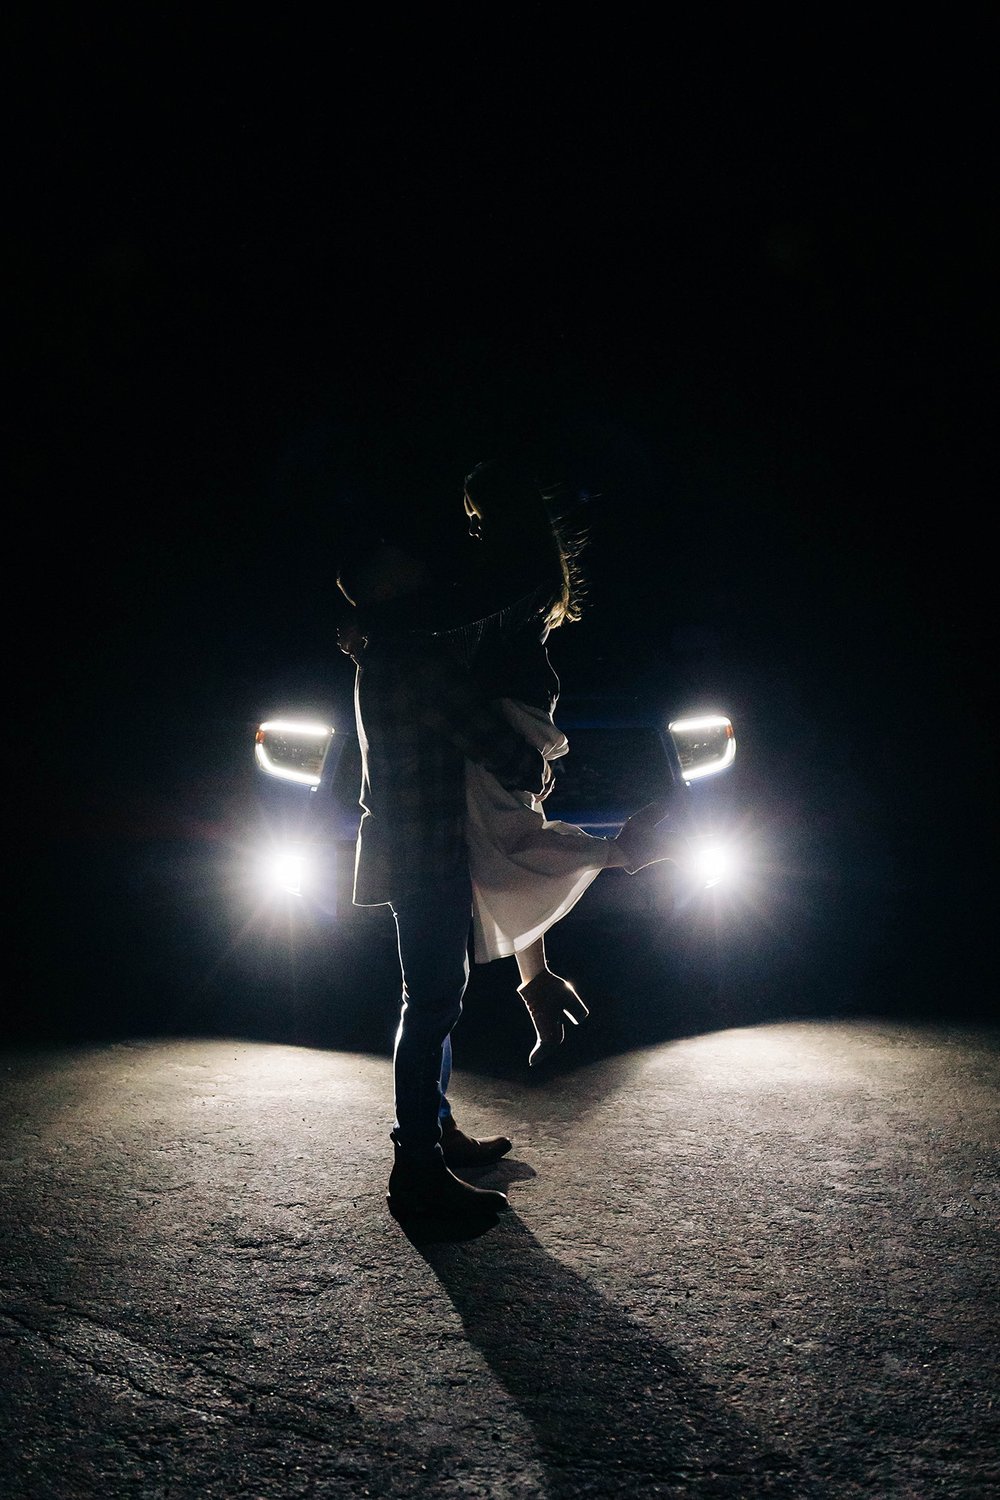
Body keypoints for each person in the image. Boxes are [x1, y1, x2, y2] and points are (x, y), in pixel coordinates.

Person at [335, 470, 683, 1219]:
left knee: (432, 998)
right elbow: (484, 735)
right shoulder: (413, 655)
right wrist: (530, 767)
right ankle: (416, 1169)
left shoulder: (397, 648)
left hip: (417, 840)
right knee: (431, 1003)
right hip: (423, 846)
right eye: (399, 562)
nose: (428, 557)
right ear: (382, 586)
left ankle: (436, 1129)